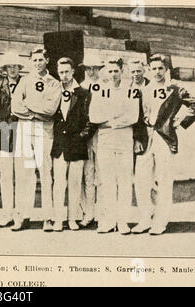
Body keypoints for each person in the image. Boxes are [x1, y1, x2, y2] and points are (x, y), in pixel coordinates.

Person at [133, 54, 195, 235]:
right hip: (146, 138)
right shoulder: (145, 90)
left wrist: (179, 121)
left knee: (164, 180)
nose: (157, 72)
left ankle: (161, 221)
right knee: (141, 180)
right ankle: (145, 218)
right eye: (154, 68)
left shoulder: (175, 89)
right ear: (149, 69)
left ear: (166, 70)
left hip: (164, 138)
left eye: (160, 69)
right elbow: (139, 116)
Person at [11, 48, 61, 231]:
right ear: (31, 61)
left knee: (45, 174)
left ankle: (48, 217)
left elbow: (51, 109)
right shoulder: (25, 80)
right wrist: (34, 113)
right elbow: (15, 106)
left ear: (47, 60)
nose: (38, 63)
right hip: (25, 130)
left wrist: (30, 107)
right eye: (35, 60)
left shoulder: (54, 83)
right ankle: (23, 216)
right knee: (25, 175)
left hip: (44, 132)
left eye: (41, 59)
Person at [89, 56, 139, 235]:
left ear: (122, 71)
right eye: (110, 71)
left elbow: (133, 116)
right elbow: (94, 117)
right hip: (105, 141)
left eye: (116, 71)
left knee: (124, 181)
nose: (113, 74)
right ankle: (109, 220)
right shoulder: (99, 90)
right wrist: (115, 119)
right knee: (107, 181)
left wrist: (112, 121)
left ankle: (123, 221)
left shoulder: (131, 90)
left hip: (125, 140)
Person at [51, 57, 95, 231]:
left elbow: (91, 119)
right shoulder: (53, 91)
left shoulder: (83, 93)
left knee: (75, 182)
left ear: (73, 72)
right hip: (60, 144)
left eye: (66, 72)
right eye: (61, 72)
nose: (64, 75)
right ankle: (58, 220)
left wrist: (82, 136)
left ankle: (72, 218)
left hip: (77, 144)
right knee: (59, 183)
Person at [0, 51, 24, 227]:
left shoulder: (26, 84)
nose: (12, 69)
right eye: (9, 66)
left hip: (21, 134)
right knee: (5, 176)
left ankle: (19, 213)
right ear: (4, 69)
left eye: (15, 66)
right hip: (3, 135)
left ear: (19, 68)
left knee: (21, 176)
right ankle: (7, 213)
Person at [78, 57, 105, 227]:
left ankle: (102, 212)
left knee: (102, 175)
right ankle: (88, 212)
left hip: (101, 132)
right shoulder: (80, 87)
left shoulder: (105, 86)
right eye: (88, 68)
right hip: (85, 135)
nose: (91, 71)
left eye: (94, 68)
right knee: (87, 174)